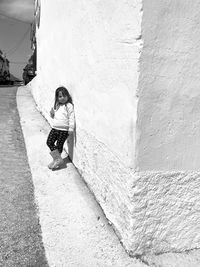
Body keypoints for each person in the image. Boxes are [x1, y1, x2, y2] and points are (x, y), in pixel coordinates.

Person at [46, 86, 75, 170]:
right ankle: (57, 159)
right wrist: (52, 114)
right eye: (60, 96)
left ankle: (57, 159)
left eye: (64, 96)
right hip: (55, 128)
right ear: (57, 97)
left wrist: (71, 128)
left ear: (67, 96)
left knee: (59, 145)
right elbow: (55, 116)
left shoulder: (68, 106)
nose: (62, 98)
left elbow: (71, 117)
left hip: (64, 130)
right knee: (49, 142)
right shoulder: (57, 105)